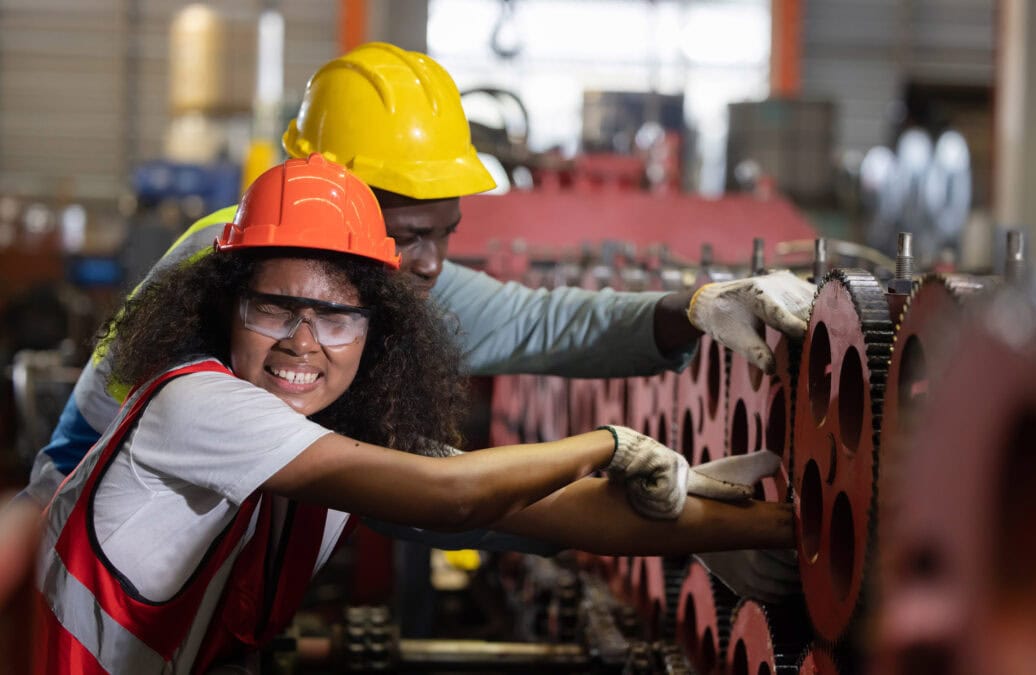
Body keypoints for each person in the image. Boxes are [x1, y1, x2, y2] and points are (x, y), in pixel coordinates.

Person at [24, 42, 812, 601]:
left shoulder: (361, 285)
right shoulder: (248, 294)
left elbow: (537, 324)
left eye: (445, 232)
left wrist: (697, 308)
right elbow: (444, 496)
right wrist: (654, 489)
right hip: (84, 569)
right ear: (329, 206)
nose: (432, 263)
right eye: (407, 237)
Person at [34, 154, 790, 674]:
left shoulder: (326, 435)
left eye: (336, 316)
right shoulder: (195, 405)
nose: (303, 341)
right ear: (222, 306)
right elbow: (452, 495)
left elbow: (550, 511)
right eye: (275, 307)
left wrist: (770, 529)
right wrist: (609, 443)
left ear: (378, 328)